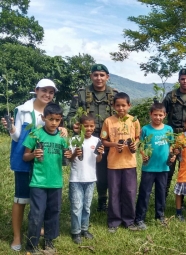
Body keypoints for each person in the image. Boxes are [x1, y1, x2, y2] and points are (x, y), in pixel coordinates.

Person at [1, 79, 63, 252]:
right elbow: (16, 137)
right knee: (21, 198)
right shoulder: (22, 110)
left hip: (44, 163)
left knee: (40, 198)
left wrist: (63, 130)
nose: (47, 94)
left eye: (51, 92)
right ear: (36, 90)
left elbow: (56, 134)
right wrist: (11, 128)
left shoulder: (52, 112)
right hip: (24, 159)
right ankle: (17, 237)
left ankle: (37, 230)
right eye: (44, 90)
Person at [67, 63, 118, 212]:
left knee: (103, 170)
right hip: (85, 137)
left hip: (105, 139)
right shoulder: (81, 94)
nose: (99, 78)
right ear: (91, 76)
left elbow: (121, 114)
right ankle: (80, 199)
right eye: (95, 75)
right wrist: (73, 125)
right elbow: (70, 116)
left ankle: (103, 200)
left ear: (107, 77)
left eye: (102, 75)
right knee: (83, 167)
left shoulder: (114, 95)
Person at [22, 103, 72, 254]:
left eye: (57, 120)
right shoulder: (36, 134)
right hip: (38, 182)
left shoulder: (62, 137)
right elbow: (25, 156)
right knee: (37, 214)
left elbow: (66, 160)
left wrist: (69, 155)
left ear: (61, 120)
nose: (54, 123)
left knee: (53, 212)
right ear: (44, 118)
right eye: (50, 119)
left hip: (56, 182)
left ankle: (49, 242)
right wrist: (33, 155)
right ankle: (32, 244)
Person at [100, 92, 141, 233]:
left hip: (129, 163)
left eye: (124, 105)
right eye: (118, 105)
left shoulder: (134, 120)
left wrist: (135, 144)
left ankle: (129, 221)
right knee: (114, 192)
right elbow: (103, 140)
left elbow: (137, 137)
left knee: (129, 192)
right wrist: (113, 144)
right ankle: (114, 221)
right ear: (113, 106)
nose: (121, 108)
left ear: (129, 106)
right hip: (113, 164)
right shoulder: (108, 121)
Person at [134, 103, 175, 230]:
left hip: (163, 167)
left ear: (165, 115)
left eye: (160, 115)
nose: (158, 117)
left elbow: (171, 145)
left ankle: (160, 216)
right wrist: (143, 155)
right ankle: (139, 218)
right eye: (155, 115)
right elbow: (141, 145)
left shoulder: (168, 129)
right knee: (144, 193)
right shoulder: (145, 129)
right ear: (150, 114)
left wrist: (172, 155)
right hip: (149, 168)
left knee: (161, 193)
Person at [162, 68, 186, 198]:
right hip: (173, 137)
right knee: (169, 168)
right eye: (182, 79)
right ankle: (163, 198)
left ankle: (182, 201)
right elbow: (162, 114)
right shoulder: (170, 97)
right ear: (179, 80)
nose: (185, 81)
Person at [69, 114, 104, 244]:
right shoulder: (74, 139)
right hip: (76, 179)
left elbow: (98, 160)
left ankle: (84, 229)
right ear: (80, 127)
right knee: (77, 206)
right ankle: (75, 231)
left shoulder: (96, 141)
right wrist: (74, 154)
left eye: (91, 126)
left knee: (87, 206)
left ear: (94, 127)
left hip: (90, 178)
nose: (89, 128)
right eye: (86, 126)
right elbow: (69, 160)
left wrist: (100, 153)